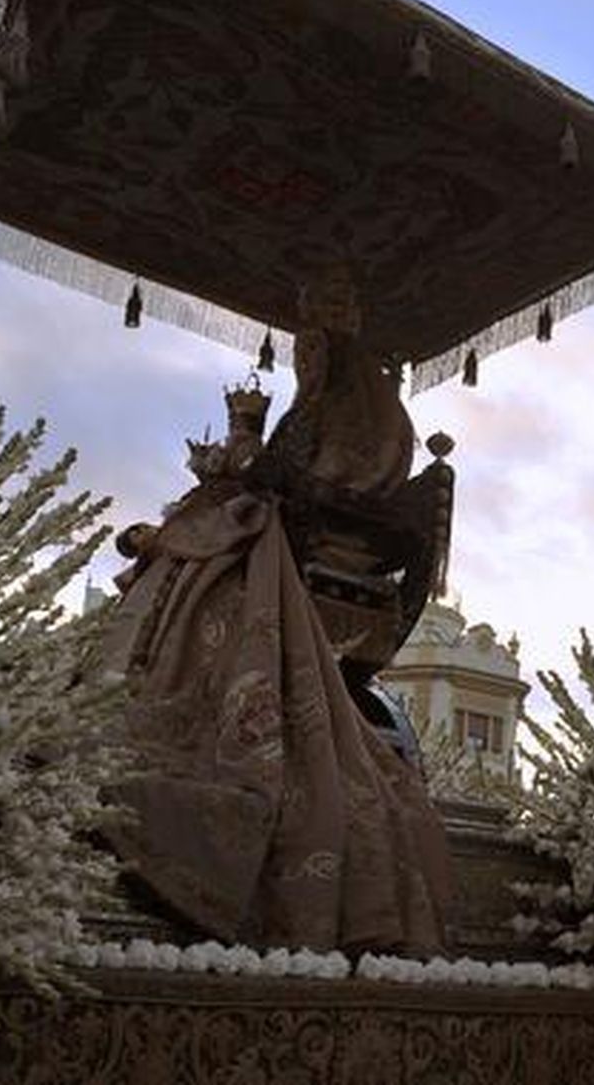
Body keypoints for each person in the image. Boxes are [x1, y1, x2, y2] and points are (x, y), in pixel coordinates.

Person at [101, 265, 451, 954]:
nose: (303, 364)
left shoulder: (351, 414)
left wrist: (241, 462)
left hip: (317, 549)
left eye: (311, 352)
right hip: (312, 532)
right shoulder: (355, 412)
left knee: (206, 549)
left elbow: (297, 478)